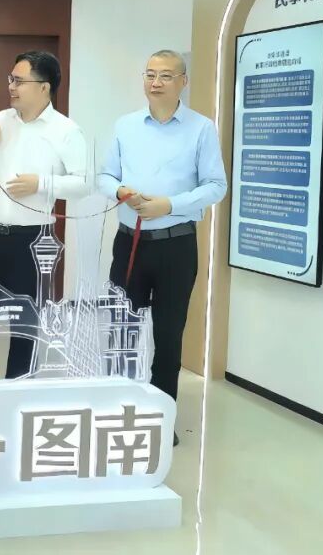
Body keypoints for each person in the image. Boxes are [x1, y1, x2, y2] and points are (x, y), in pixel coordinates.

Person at [99, 50, 226, 444]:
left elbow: (216, 186)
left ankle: (159, 419)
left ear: (183, 82)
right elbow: (104, 176)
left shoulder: (201, 128)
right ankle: (119, 413)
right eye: (150, 74)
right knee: (122, 331)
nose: (156, 82)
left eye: (166, 75)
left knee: (169, 336)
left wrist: (168, 205)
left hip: (176, 246)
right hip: (130, 243)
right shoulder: (125, 125)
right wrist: (121, 191)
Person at [0, 51, 89, 381]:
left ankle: (16, 398)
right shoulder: (2, 119)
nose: (12, 87)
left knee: (24, 328)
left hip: (32, 244)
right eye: (11, 79)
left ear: (44, 87)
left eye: (19, 81)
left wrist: (42, 183)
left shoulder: (66, 130)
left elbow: (83, 183)